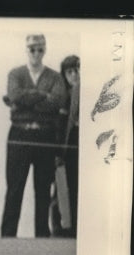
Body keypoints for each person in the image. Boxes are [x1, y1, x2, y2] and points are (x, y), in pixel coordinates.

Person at [0, 34, 67, 239]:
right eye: (32, 49)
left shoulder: (55, 77)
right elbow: (14, 95)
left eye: (40, 49)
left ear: (44, 51)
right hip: (19, 133)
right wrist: (41, 97)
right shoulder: (15, 73)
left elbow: (57, 101)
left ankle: (41, 236)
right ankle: (7, 236)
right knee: (14, 187)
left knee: (43, 188)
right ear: (26, 50)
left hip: (45, 136)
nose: (36, 53)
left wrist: (26, 101)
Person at [54, 55, 80, 238]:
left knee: (78, 185)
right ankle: (61, 228)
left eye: (76, 70)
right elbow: (59, 125)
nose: (74, 75)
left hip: (81, 142)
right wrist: (58, 150)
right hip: (67, 143)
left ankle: (78, 227)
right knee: (62, 188)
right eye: (69, 72)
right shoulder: (63, 95)